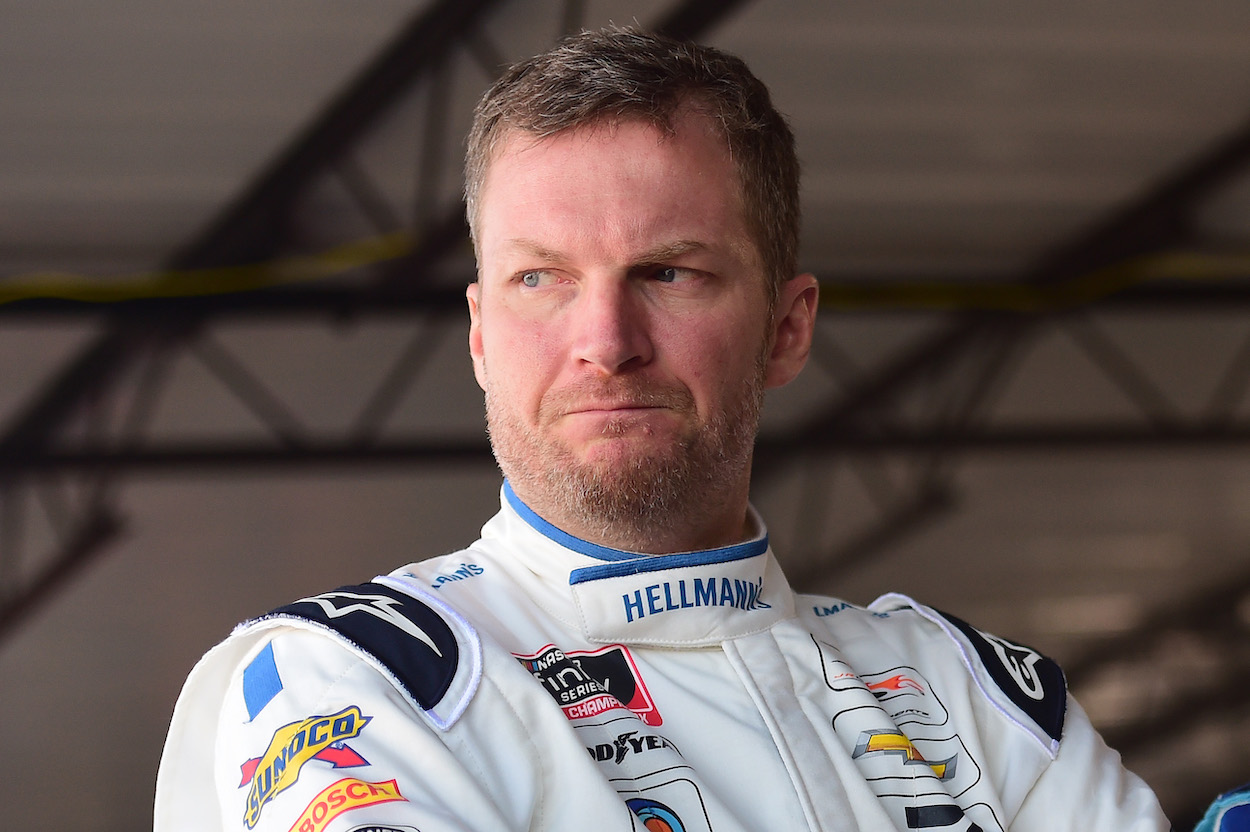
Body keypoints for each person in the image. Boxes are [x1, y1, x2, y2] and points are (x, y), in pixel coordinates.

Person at [155, 26, 1171, 831]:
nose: (605, 340)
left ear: (785, 327)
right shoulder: (358, 678)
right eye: (539, 278)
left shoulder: (969, 696)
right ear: (478, 334)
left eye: (667, 272)